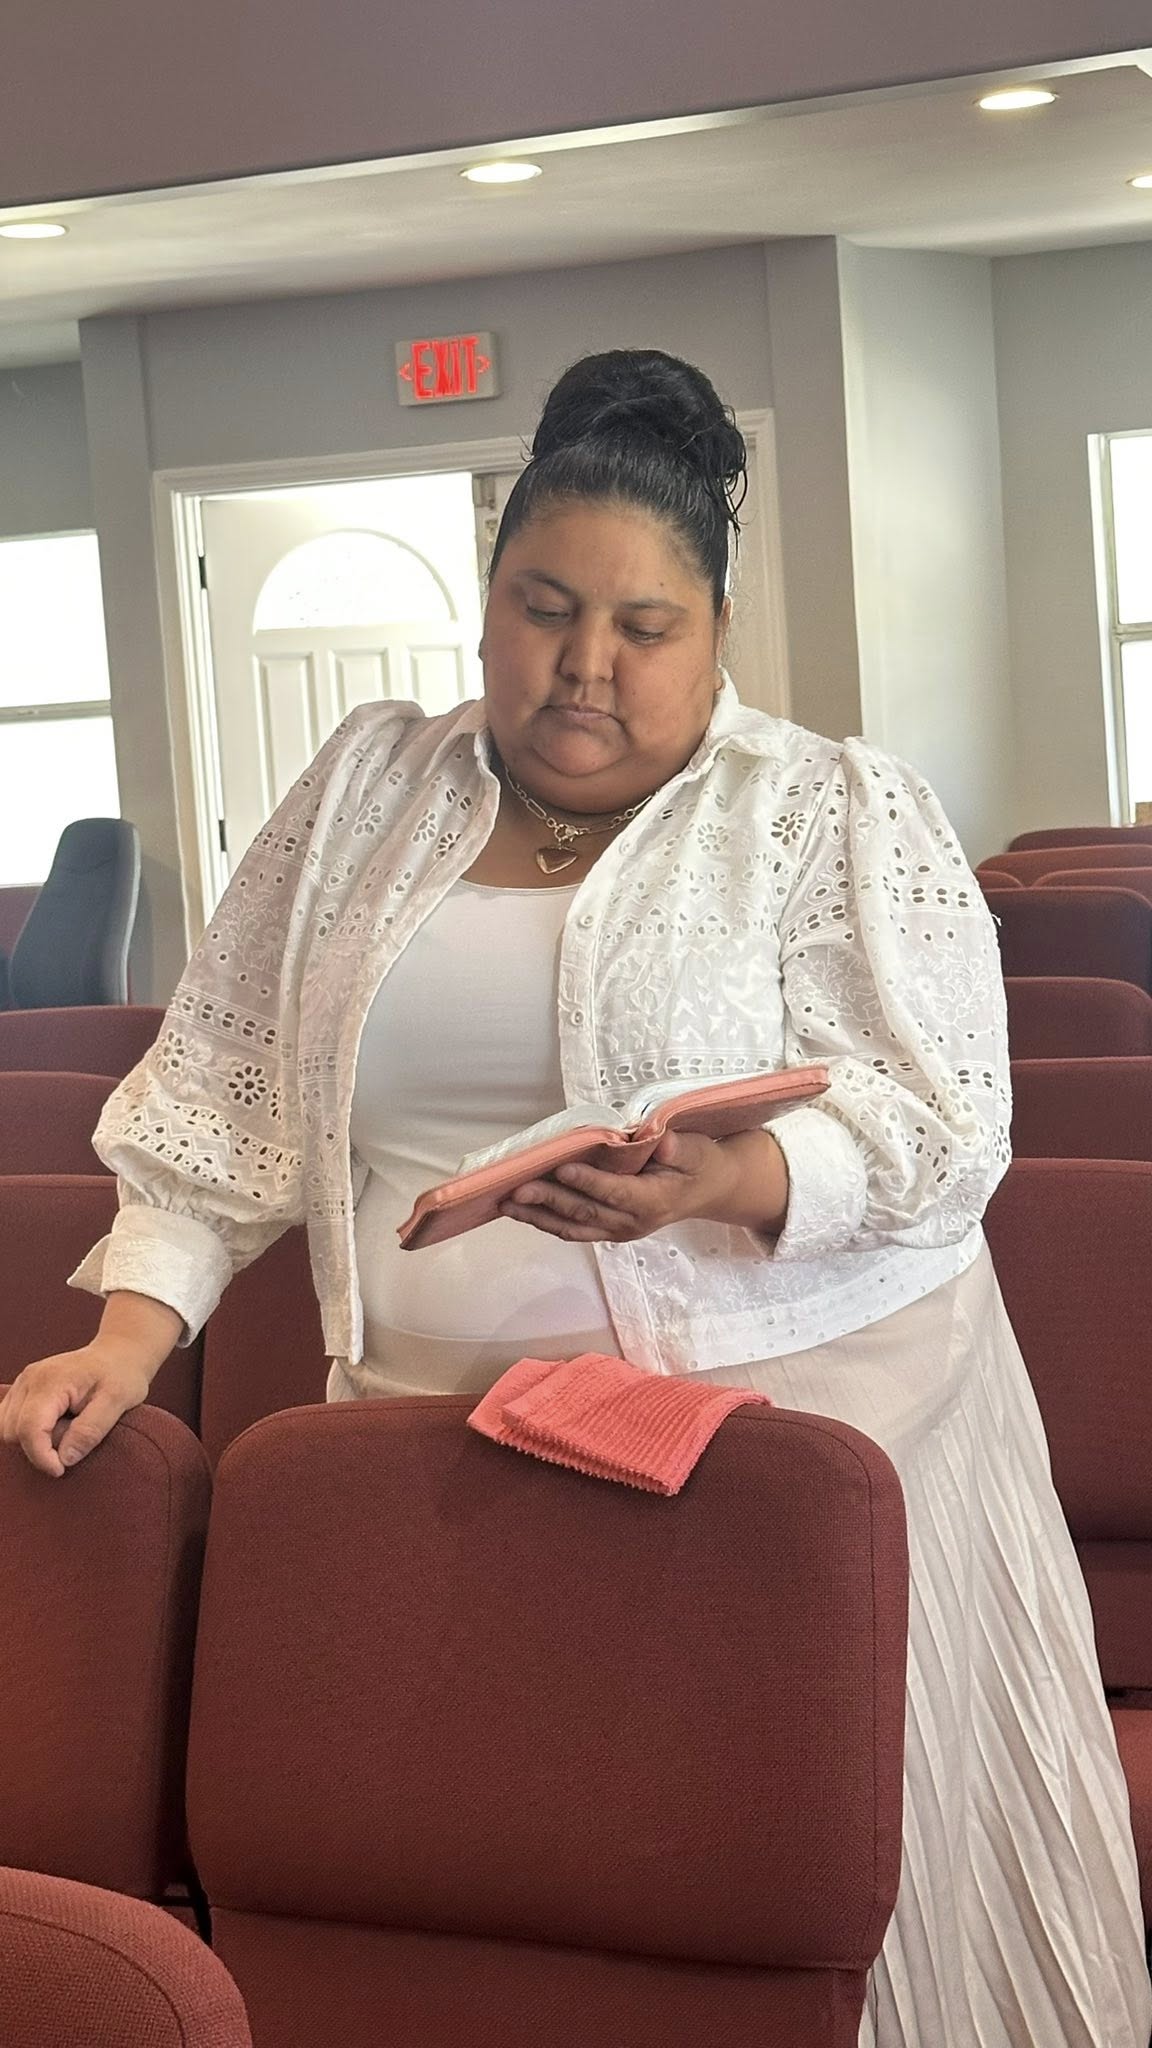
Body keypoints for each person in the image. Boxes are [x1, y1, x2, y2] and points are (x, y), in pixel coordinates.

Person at [1, 348, 1148, 2045]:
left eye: (644, 626)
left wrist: (733, 1176)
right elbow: (222, 1085)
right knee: (518, 1894)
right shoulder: (366, 792)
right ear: (486, 608)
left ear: (720, 630)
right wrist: (129, 1332)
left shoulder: (824, 805)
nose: (586, 663)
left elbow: (942, 1121)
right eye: (544, 610)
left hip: (780, 1454)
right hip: (441, 1453)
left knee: (786, 1899)